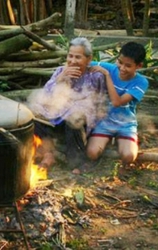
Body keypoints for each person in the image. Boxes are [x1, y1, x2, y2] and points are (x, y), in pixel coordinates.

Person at [27, 37, 107, 170]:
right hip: (56, 118)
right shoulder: (60, 71)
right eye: (70, 56)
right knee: (31, 115)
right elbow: (45, 96)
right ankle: (47, 154)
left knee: (74, 117)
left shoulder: (95, 76)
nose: (73, 61)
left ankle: (77, 163)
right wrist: (61, 79)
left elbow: (97, 102)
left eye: (78, 57)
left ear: (88, 59)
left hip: (78, 122)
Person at [87, 42, 148, 165]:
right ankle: (109, 139)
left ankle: (124, 139)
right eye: (120, 62)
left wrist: (107, 76)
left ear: (139, 66)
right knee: (91, 153)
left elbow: (116, 102)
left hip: (125, 124)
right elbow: (84, 64)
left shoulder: (141, 82)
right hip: (104, 121)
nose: (122, 68)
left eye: (128, 65)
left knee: (128, 156)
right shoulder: (110, 67)